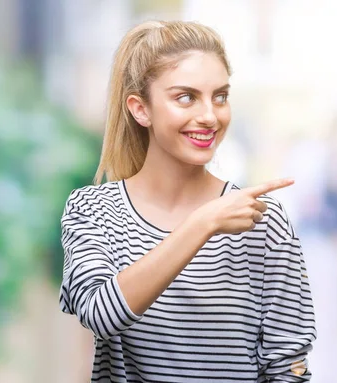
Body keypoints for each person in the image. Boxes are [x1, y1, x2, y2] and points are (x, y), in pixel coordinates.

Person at [58, 20, 316, 382]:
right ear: (140, 109)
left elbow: (289, 365)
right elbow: (100, 315)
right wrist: (202, 223)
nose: (210, 116)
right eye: (186, 97)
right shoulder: (93, 211)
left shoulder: (262, 220)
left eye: (220, 97)